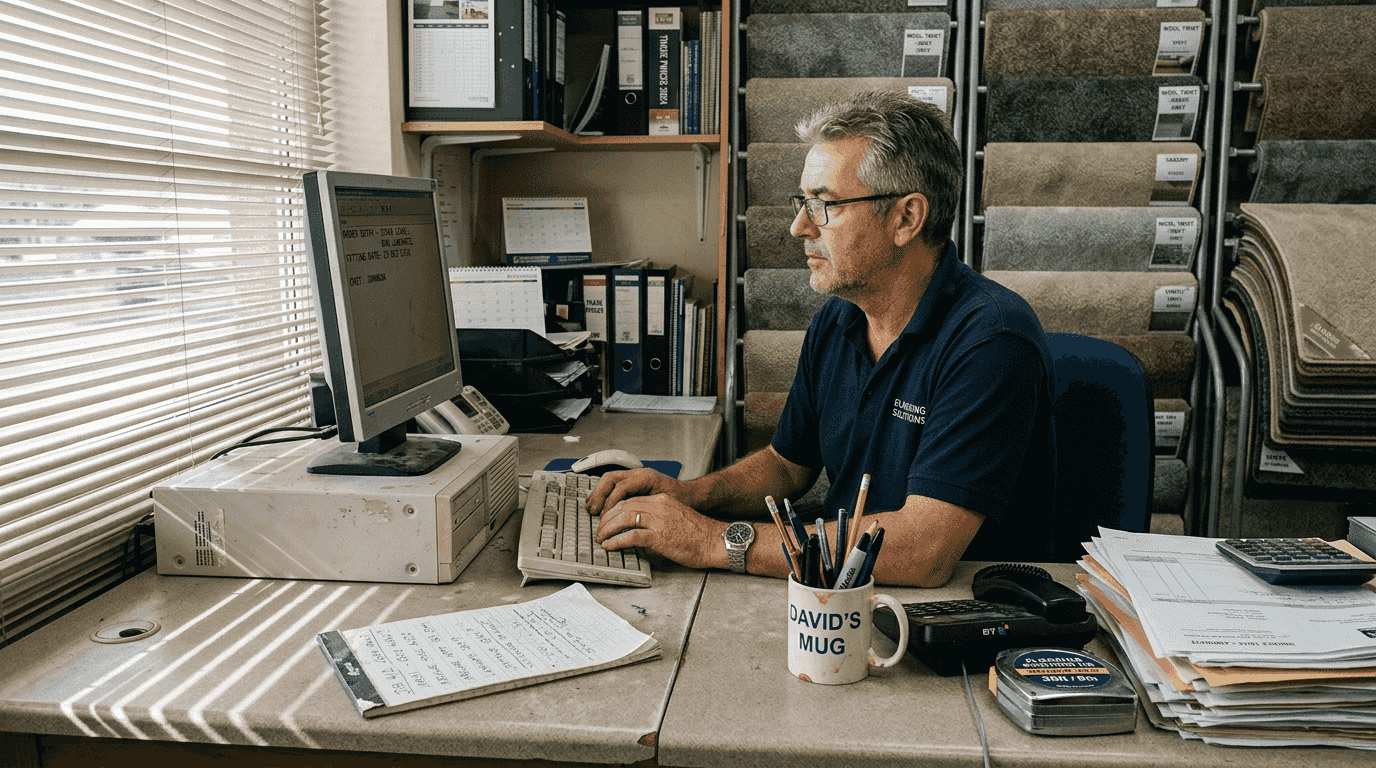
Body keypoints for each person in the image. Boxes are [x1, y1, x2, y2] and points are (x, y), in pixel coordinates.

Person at [588, 90, 1055, 587]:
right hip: (840, 596)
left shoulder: (992, 341)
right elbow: (787, 467)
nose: (798, 227)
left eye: (825, 205)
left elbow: (925, 550)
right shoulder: (838, 320)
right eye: (803, 203)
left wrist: (710, 540)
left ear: (906, 218)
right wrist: (689, 495)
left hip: (964, 614)